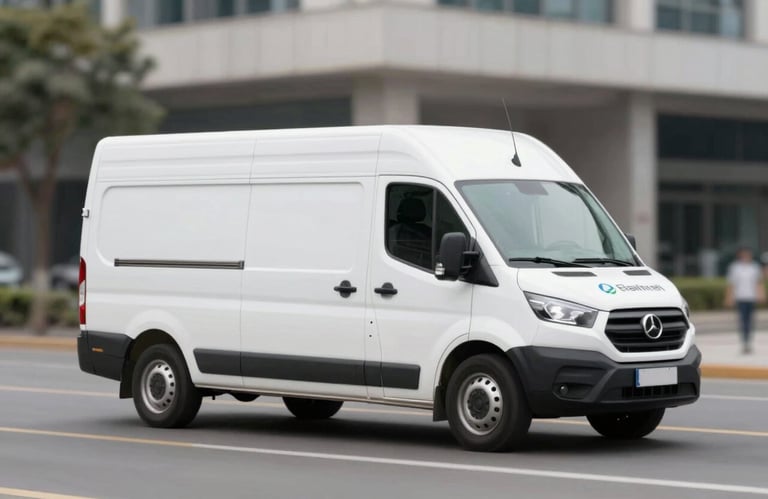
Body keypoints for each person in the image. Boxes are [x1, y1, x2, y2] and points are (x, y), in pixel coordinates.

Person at [725, 247, 766, 354]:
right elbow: (731, 284)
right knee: (743, 320)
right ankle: (744, 341)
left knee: (750, 320)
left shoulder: (754, 267)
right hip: (740, 297)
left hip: (751, 297)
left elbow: (759, 282)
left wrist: (761, 295)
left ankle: (748, 340)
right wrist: (729, 298)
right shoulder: (735, 267)